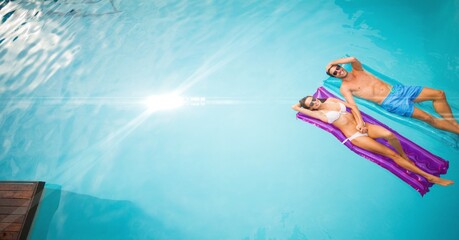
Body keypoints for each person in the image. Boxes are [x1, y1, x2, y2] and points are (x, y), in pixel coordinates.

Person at [292, 96, 454, 186]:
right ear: (311, 109)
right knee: (392, 155)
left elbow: (353, 107)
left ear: (315, 98)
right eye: (310, 105)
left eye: (312, 100)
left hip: (364, 126)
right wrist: (301, 104)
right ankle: (430, 177)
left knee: (390, 135)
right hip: (356, 137)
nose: (314, 103)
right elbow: (295, 107)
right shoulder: (319, 114)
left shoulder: (331, 101)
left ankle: (404, 155)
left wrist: (361, 123)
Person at [325, 56, 459, 135]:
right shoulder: (345, 88)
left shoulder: (357, 69)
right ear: (335, 77)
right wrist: (360, 122)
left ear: (341, 67)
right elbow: (352, 105)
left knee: (439, 94)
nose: (338, 71)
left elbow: (352, 58)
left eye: (338, 68)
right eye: (335, 73)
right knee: (428, 118)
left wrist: (331, 63)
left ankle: (453, 123)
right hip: (391, 102)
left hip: (398, 90)